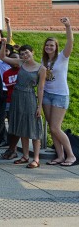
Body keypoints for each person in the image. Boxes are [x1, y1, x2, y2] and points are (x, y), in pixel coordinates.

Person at [0, 40, 46, 169]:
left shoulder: (41, 68)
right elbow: (3, 57)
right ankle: (25, 156)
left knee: (33, 127)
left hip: (30, 97)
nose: (25, 55)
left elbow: (41, 88)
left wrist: (39, 105)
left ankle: (36, 158)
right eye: (22, 54)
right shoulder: (20, 63)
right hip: (17, 96)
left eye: (27, 53)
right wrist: (4, 45)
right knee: (22, 127)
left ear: (32, 52)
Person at [42, 17, 76, 166]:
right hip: (47, 96)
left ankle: (71, 155)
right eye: (47, 45)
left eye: (52, 45)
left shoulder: (63, 57)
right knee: (52, 128)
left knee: (56, 127)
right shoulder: (45, 61)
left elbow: (70, 42)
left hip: (60, 96)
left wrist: (68, 26)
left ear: (56, 47)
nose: (49, 47)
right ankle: (60, 156)